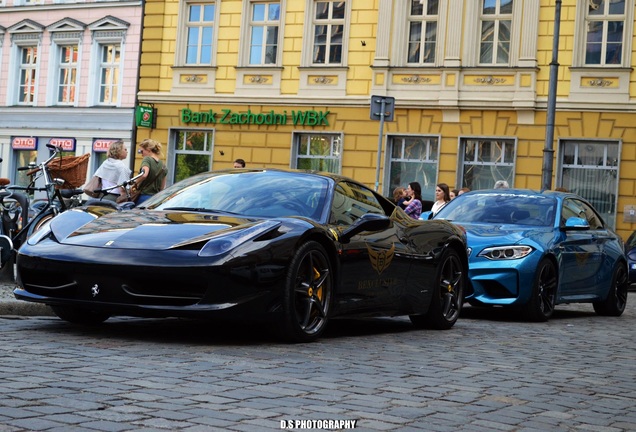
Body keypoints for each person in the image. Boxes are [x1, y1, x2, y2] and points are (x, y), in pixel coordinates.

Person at [135, 138, 167, 204]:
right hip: (155, 199)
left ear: (148, 150)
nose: (141, 154)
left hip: (144, 197)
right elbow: (162, 187)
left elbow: (144, 174)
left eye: (142, 151)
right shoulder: (163, 166)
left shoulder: (147, 159)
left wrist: (134, 183)